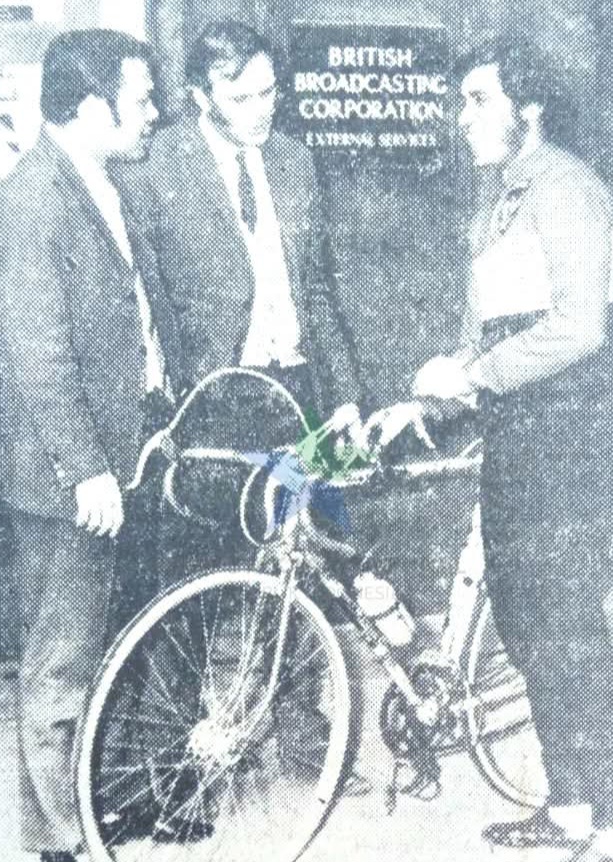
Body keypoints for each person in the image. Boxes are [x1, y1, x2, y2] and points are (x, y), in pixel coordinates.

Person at [365, 37, 613, 862]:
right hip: (521, 432)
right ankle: (571, 810)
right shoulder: (504, 195)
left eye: (479, 99)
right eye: (462, 100)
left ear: (531, 108)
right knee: (529, 625)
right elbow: (482, 332)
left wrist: (475, 376)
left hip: (572, 433)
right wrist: (425, 401)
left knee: (566, 629)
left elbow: (580, 328)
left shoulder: (568, 189)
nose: (463, 117)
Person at [0, 29, 182, 862]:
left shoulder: (108, 180)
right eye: (140, 98)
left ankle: (115, 807)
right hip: (74, 476)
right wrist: (86, 469)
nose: (153, 112)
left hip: (131, 451)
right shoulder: (32, 197)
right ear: (91, 104)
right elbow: (38, 354)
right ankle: (59, 841)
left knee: (123, 638)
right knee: (61, 662)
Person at [116, 19, 363, 575]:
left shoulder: (294, 159)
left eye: (269, 92)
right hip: (215, 401)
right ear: (201, 96)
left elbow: (317, 290)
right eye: (240, 98)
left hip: (298, 391)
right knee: (217, 572)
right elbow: (147, 303)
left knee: (317, 556)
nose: (260, 110)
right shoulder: (153, 165)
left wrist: (345, 398)